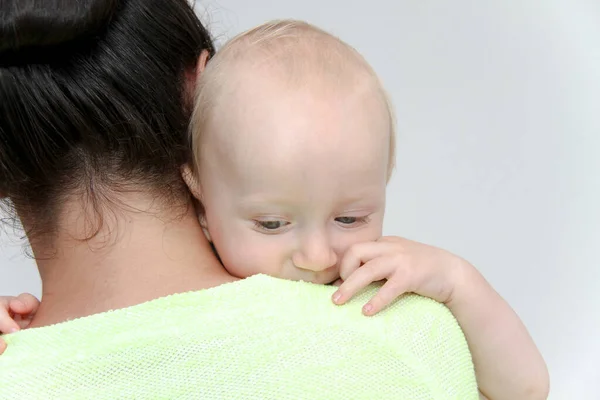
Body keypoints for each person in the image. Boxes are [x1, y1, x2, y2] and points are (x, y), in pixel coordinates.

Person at [0, 2, 547, 399]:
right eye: (272, 222)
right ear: (200, 89)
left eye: (349, 217)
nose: (315, 256)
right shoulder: (404, 332)